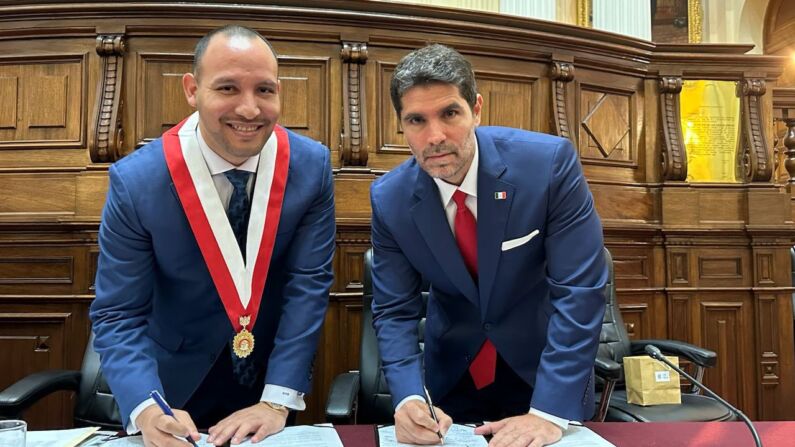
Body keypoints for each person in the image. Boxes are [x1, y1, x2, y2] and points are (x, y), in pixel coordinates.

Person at [90, 25, 335, 447]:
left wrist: (276, 401)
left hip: (271, 384)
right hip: (173, 387)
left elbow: (308, 286)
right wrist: (148, 408)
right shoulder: (138, 181)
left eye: (264, 90)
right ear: (192, 89)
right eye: (227, 88)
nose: (249, 109)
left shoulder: (311, 166)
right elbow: (118, 313)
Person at [370, 44, 607, 447]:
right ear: (401, 125)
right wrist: (409, 395)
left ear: (476, 109)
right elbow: (395, 310)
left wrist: (548, 413)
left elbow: (579, 292)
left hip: (544, 376)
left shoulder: (548, 167)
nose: (435, 136)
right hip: (451, 381)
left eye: (449, 113)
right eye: (416, 120)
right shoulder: (389, 199)